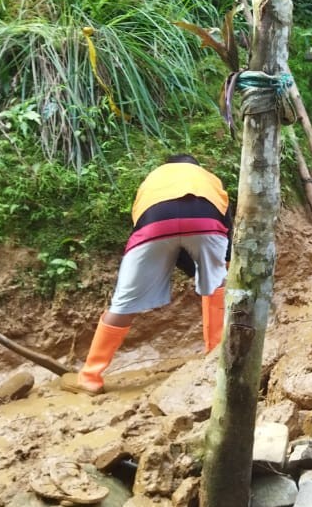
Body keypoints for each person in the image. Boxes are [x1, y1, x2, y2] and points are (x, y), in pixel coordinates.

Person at [66, 154, 230, 394]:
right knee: (217, 285)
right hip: (204, 221)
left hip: (154, 227)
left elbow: (142, 223)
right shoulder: (209, 179)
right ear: (195, 167)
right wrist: (207, 273)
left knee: (123, 303)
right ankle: (216, 360)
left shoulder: (152, 180)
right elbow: (226, 228)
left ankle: (90, 376)